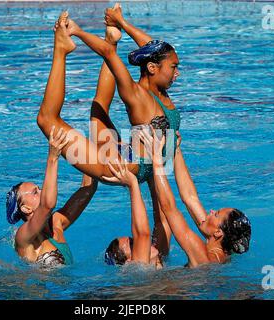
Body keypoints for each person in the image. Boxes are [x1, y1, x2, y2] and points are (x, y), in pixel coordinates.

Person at [36, 10, 173, 259]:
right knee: (76, 113)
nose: (138, 242)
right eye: (174, 67)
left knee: (58, 117)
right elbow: (163, 215)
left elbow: (159, 54)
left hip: (131, 162)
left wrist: (113, 28)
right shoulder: (158, 255)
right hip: (142, 160)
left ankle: (75, 46)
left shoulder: (159, 92)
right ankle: (92, 43)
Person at [140, 129, 252, 267]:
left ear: (218, 233)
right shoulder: (223, 251)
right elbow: (190, 197)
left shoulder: (203, 256)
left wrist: (156, 158)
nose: (210, 211)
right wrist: (175, 149)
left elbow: (169, 208)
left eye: (216, 214)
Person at [6, 127, 97, 268]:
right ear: (25, 208)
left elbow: (88, 188)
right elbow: (47, 205)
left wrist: (91, 150)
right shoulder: (23, 237)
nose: (42, 190)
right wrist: (53, 157)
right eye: (35, 192)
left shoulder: (57, 223)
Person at [103, 160, 163, 268]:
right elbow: (142, 234)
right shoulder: (140, 269)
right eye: (132, 244)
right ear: (129, 262)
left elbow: (162, 222)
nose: (140, 243)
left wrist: (152, 177)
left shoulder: (160, 259)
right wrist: (132, 184)